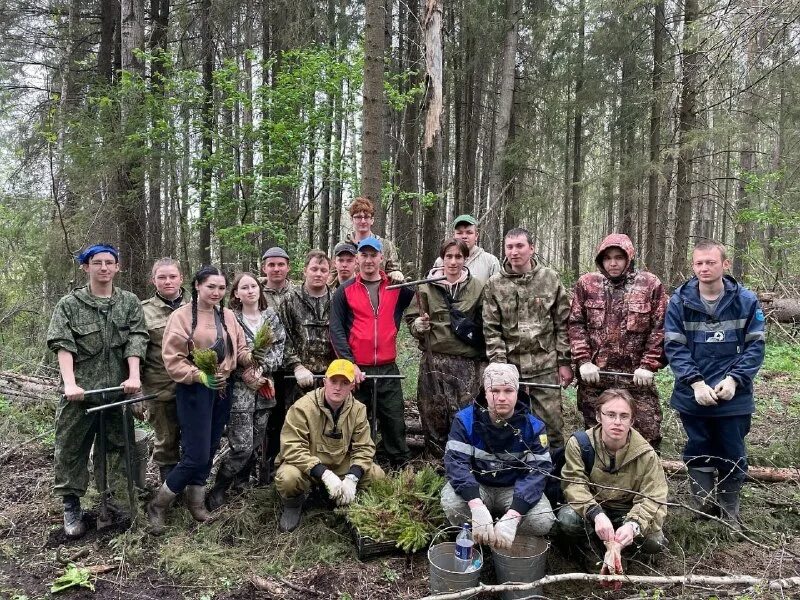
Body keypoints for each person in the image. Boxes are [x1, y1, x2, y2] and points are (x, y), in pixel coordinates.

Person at [147, 266, 264, 534]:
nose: (216, 292)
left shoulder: (228, 316)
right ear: (197, 286)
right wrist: (199, 376)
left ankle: (196, 503)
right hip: (194, 390)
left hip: (223, 389)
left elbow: (241, 348)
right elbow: (172, 357)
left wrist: (252, 356)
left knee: (210, 448)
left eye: (221, 288)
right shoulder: (182, 316)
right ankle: (158, 504)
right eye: (211, 286)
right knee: (196, 454)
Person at [47, 243, 149, 538]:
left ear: (117, 267)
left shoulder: (129, 303)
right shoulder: (69, 304)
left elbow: (136, 340)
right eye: (97, 263)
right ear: (86, 267)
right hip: (81, 394)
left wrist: (133, 377)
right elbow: (63, 344)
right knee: (71, 449)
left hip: (117, 392)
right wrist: (70, 383)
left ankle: (114, 505)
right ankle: (71, 504)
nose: (104, 268)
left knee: (119, 448)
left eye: (109, 263)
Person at [664, 240, 765, 523]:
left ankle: (729, 510)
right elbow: (674, 347)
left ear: (725, 264)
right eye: (699, 263)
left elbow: (755, 347)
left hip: (734, 398)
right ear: (693, 266)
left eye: (710, 262)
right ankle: (704, 507)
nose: (704, 268)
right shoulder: (679, 301)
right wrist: (695, 383)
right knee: (698, 448)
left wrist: (734, 380)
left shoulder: (746, 300)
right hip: (692, 395)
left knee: (732, 450)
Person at [441, 363, 555, 550]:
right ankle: (477, 536)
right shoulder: (465, 420)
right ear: (485, 393)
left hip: (514, 487)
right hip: (479, 484)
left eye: (508, 390)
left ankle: (506, 540)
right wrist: (476, 504)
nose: (501, 398)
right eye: (494, 390)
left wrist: (514, 515)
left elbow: (538, 473)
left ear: (518, 392)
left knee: (541, 520)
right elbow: (455, 463)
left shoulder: (534, 427)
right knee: (452, 503)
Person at [568, 234, 667, 448]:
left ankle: (642, 479)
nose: (613, 263)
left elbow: (660, 327)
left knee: (646, 436)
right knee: (596, 438)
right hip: (595, 379)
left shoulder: (650, 284)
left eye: (619, 258)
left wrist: (648, 365)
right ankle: (598, 479)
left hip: (636, 379)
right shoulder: (587, 284)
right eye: (608, 258)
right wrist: (583, 361)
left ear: (629, 258)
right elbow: (576, 324)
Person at [482, 227, 573, 448]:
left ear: (531, 248)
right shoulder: (495, 284)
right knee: (511, 425)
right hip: (511, 367)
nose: (514, 252)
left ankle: (553, 476)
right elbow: (491, 328)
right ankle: (515, 473)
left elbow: (563, 323)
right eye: (510, 247)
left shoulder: (550, 279)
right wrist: (500, 368)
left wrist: (564, 361)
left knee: (551, 428)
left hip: (545, 366)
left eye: (520, 246)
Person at [330, 236, 415, 467]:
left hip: (388, 368)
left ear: (381, 258)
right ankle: (355, 466)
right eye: (364, 255)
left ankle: (400, 469)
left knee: (394, 420)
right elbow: (336, 330)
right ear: (357, 259)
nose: (368, 260)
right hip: (358, 369)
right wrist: (349, 365)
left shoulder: (397, 289)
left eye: (373, 255)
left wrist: (404, 280)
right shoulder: (344, 291)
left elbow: (421, 301)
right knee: (356, 421)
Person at [275, 359, 385, 532]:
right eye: (333, 381)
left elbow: (364, 448)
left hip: (341, 464)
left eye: (344, 383)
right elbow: (292, 447)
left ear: (352, 386)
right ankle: (293, 505)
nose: (338, 388)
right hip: (308, 465)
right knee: (288, 477)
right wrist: (324, 474)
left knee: (377, 475)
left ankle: (349, 500)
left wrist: (352, 478)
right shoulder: (302, 407)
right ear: (324, 381)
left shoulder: (358, 410)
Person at [557, 389, 668, 558]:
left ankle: (624, 552)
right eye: (610, 414)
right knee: (568, 520)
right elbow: (573, 484)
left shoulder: (646, 454)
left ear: (632, 420)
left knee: (655, 541)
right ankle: (589, 549)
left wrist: (633, 524)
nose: (617, 422)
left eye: (624, 416)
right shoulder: (580, 444)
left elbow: (654, 498)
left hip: (627, 511)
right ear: (598, 416)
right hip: (592, 507)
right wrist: (596, 514)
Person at [207, 273, 286, 510]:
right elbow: (227, 351)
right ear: (236, 294)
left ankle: (242, 485)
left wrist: (262, 370)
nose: (250, 290)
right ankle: (220, 486)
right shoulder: (231, 319)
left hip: (264, 389)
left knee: (255, 442)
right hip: (240, 391)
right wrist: (244, 373)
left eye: (254, 286)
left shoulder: (270, 317)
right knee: (241, 445)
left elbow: (280, 347)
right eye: (245, 287)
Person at [405, 238, 486, 451]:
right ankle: (435, 461)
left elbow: (485, 323)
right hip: (434, 360)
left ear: (465, 258)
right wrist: (418, 326)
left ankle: (464, 459)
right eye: (448, 256)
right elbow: (411, 319)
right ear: (442, 258)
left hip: (467, 363)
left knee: (465, 413)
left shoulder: (477, 287)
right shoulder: (425, 288)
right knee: (433, 411)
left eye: (458, 256)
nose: (453, 261)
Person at [139, 258, 189, 484]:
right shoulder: (143, 311)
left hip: (195, 385)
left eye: (172, 276)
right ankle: (169, 492)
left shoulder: (200, 304)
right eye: (162, 277)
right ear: (153, 281)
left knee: (194, 439)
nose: (168, 281)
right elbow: (135, 351)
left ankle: (191, 487)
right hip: (160, 388)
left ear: (182, 278)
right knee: (166, 442)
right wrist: (136, 391)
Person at [281, 250, 336, 403]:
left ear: (329, 274)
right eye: (314, 269)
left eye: (323, 270)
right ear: (305, 271)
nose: (318, 274)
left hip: (331, 376)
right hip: (298, 378)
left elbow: (345, 335)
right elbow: (282, 335)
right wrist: (296, 366)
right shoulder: (290, 299)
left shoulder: (338, 299)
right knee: (299, 423)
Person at [258, 246, 294, 475]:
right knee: (266, 420)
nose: (276, 269)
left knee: (290, 416)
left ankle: (288, 463)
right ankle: (264, 467)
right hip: (265, 369)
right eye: (271, 265)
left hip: (292, 367)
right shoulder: (254, 293)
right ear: (264, 268)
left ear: (288, 267)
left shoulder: (298, 292)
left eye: (280, 264)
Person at [335, 196, 404, 284]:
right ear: (352, 220)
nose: (363, 221)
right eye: (358, 217)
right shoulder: (341, 247)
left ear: (372, 220)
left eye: (366, 217)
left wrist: (396, 273)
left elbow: (394, 271)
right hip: (348, 293)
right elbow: (332, 277)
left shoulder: (386, 245)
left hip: (379, 294)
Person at [431, 214, 500, 283]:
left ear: (476, 236)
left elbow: (496, 290)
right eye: (459, 233)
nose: (464, 236)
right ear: (453, 235)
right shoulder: (441, 261)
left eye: (469, 233)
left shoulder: (490, 262)